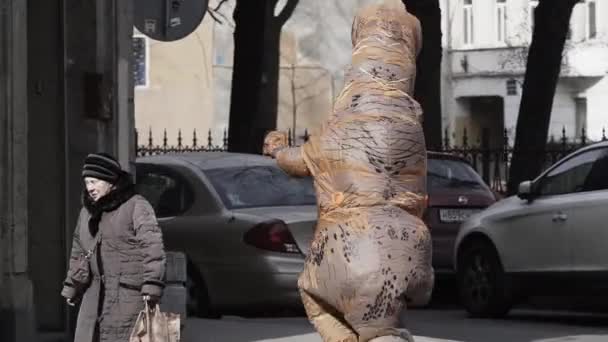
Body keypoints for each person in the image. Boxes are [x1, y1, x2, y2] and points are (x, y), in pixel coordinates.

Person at [263, 1, 433, 341]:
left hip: (353, 250)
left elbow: (297, 163)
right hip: (414, 252)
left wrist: (277, 148)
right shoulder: (412, 128)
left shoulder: (342, 127)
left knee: (312, 290)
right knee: (383, 320)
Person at [61, 152, 166, 342]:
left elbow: (152, 248)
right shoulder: (86, 213)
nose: (89, 188)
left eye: (94, 181)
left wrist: (152, 286)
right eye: (87, 182)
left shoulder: (136, 206)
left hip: (127, 300)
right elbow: (79, 251)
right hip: (93, 301)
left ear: (110, 180)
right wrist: (73, 285)